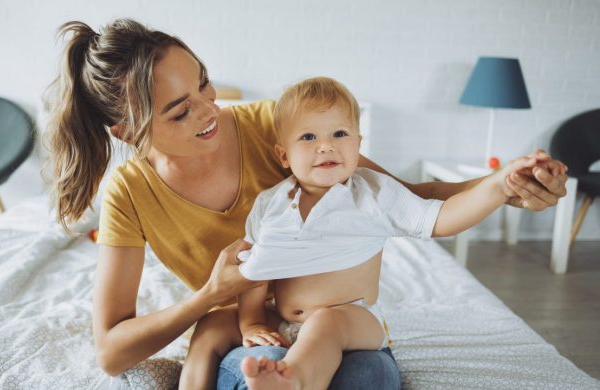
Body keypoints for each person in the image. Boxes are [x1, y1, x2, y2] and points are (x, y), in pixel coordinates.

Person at [44, 18, 568, 389]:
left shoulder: (283, 125)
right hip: (245, 328)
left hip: (335, 317)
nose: (211, 112)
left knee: (364, 374)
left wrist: (509, 187)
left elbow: (411, 199)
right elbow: (111, 352)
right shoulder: (130, 193)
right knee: (264, 365)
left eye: (205, 84)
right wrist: (211, 296)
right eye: (181, 112)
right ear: (126, 129)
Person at [178, 77, 558, 389]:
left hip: (353, 321)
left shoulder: (372, 193)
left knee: (327, 322)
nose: (325, 145)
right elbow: (255, 273)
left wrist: (496, 188)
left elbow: (440, 219)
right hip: (286, 321)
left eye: (340, 133)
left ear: (358, 146)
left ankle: (293, 380)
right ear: (283, 156)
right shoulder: (271, 204)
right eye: (308, 138)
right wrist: (252, 322)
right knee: (215, 322)